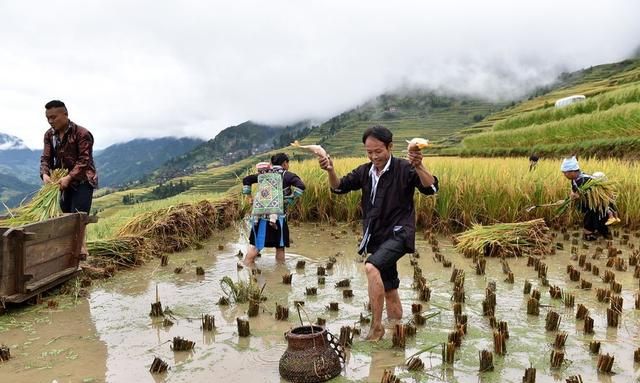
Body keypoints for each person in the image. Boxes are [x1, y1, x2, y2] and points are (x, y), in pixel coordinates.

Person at [318, 125, 439, 340]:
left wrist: (419, 166)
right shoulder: (365, 171)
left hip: (400, 234)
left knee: (371, 266)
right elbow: (339, 187)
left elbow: (431, 189)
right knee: (390, 289)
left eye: (378, 151)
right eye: (369, 152)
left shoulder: (404, 168)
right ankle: (397, 330)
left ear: (390, 147)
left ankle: (377, 328)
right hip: (377, 237)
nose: (374, 156)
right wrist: (330, 170)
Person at [40, 100, 98, 257]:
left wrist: (70, 177)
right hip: (61, 182)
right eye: (48, 118)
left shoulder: (82, 134)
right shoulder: (49, 135)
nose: (51, 121)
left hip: (83, 179)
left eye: (54, 117)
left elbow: (84, 161)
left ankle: (81, 250)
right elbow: (46, 158)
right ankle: (71, 249)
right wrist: (45, 174)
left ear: (65, 115)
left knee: (78, 215)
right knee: (66, 214)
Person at [242, 153, 305, 266]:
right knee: (280, 247)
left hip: (260, 217)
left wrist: (249, 197)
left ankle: (247, 268)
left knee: (256, 246)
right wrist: (290, 199)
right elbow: (301, 186)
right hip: (278, 219)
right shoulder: (287, 175)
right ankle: (280, 273)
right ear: (285, 163)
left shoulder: (264, 174)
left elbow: (246, 180)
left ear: (272, 164)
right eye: (288, 163)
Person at [560, 156, 613, 241]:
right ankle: (597, 236)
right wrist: (567, 200)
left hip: (599, 208)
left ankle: (606, 240)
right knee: (591, 229)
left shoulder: (586, 180)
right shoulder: (575, 180)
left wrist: (579, 197)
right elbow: (575, 193)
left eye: (565, 173)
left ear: (572, 171)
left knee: (599, 228)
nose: (564, 175)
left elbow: (596, 198)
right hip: (591, 209)